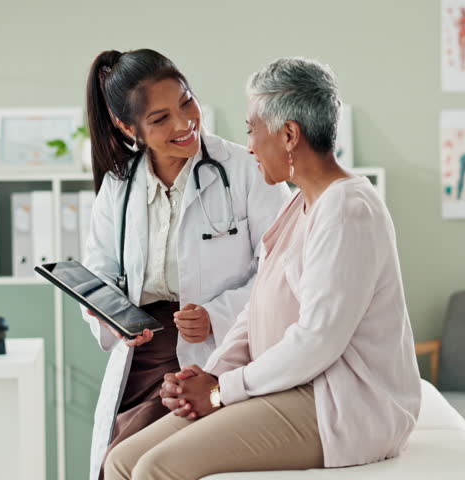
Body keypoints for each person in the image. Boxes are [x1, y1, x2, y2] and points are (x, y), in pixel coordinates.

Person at [105, 57, 422, 480]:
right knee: (121, 461)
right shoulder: (300, 205)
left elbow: (317, 341)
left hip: (338, 403)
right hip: (288, 386)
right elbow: (255, 312)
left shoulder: (349, 211)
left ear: (288, 135)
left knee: (156, 468)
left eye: (253, 129)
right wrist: (212, 372)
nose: (249, 145)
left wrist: (221, 390)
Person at [81, 49, 291, 480]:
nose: (184, 123)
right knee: (121, 459)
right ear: (127, 127)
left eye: (186, 102)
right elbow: (99, 271)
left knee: (140, 461)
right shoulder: (118, 189)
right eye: (160, 119)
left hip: (220, 347)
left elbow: (286, 267)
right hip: (142, 356)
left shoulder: (245, 169)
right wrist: (108, 314)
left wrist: (217, 315)